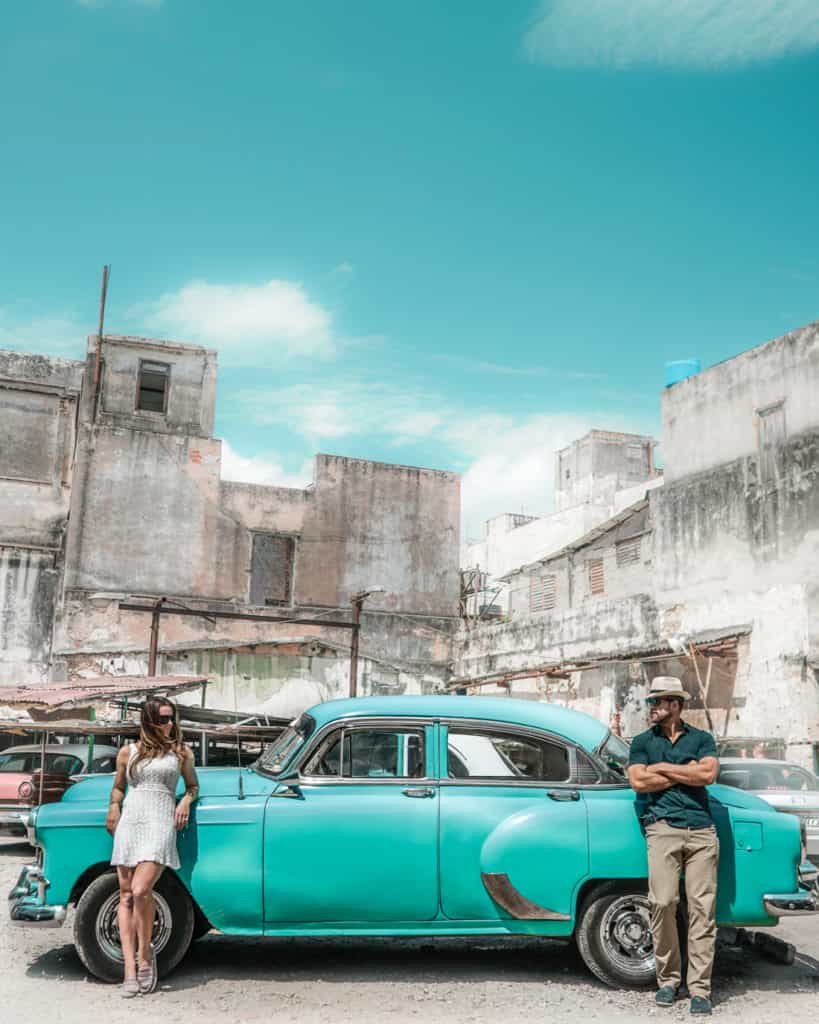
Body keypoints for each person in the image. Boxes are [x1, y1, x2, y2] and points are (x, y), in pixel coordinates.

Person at [627, 677, 720, 1016]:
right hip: (662, 828)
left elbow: (708, 775)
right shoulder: (641, 742)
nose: (652, 707)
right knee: (663, 902)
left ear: (676, 705)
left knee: (702, 910)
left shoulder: (702, 739)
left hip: (702, 832)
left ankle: (700, 989)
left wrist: (663, 768)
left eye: (659, 701)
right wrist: (686, 770)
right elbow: (638, 780)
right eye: (651, 702)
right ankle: (668, 980)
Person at [106, 697, 199, 997]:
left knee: (141, 889)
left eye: (171, 718)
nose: (169, 724)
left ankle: (146, 956)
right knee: (125, 895)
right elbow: (119, 787)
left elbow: (193, 786)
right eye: (162, 719)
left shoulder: (181, 752)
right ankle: (129, 971)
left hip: (160, 822)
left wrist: (185, 800)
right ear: (148, 721)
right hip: (131, 822)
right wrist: (113, 806)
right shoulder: (127, 752)